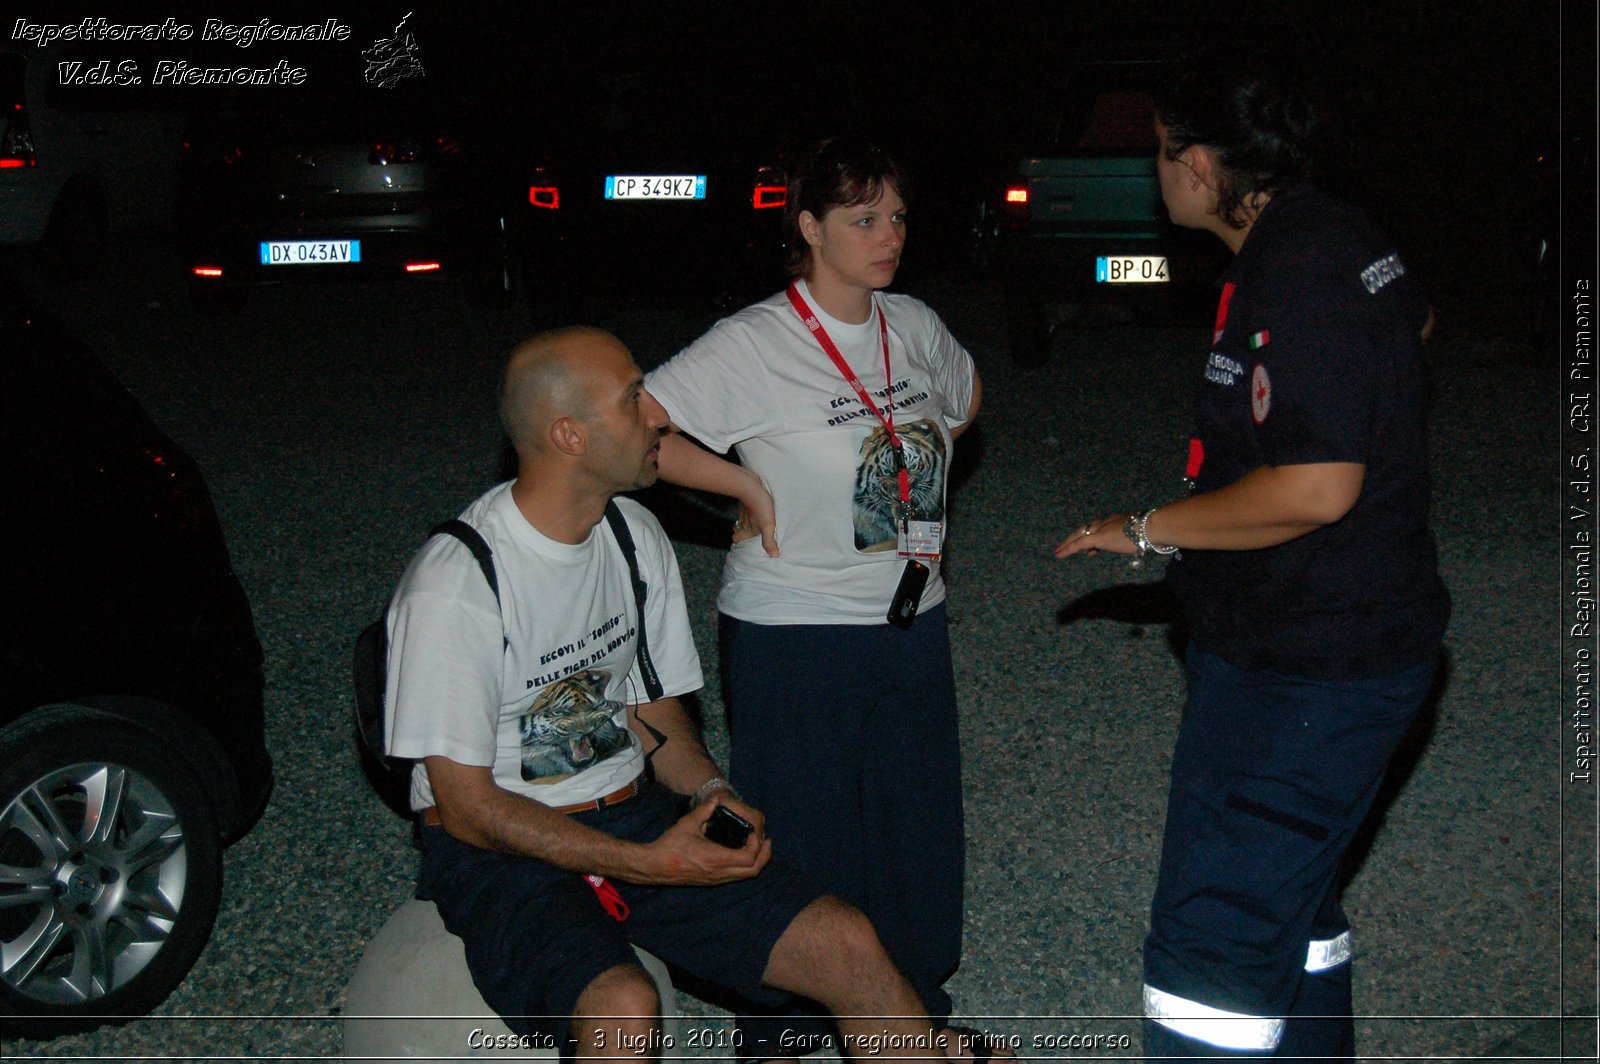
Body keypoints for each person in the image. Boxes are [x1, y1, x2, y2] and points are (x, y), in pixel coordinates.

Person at [384, 326, 963, 1061]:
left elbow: (652, 710)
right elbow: (466, 809)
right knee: (624, 1007)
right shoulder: (459, 583)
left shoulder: (631, 534)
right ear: (569, 435)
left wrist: (709, 790)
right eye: (633, 401)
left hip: (630, 812)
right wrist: (650, 866)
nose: (658, 416)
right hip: (501, 849)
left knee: (848, 941)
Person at [1056, 48, 1450, 1060]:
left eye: (1157, 153)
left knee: (1212, 950)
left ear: (1197, 165)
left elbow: (1318, 487)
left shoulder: (1299, 266)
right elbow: (1417, 317)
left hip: (1305, 665)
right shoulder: (1331, 232)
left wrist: (1144, 526)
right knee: (1297, 903)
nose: (1156, 174)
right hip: (1350, 637)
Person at [642, 137, 997, 1061]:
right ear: (809, 227)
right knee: (807, 826)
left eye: (898, 217)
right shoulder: (755, 342)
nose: (890, 237)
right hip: (795, 627)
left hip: (913, 614)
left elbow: (963, 398)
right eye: (864, 220)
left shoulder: (909, 321)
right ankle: (786, 1026)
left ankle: (911, 1001)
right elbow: (635, 423)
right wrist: (744, 488)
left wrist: (921, 483)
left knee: (915, 818)